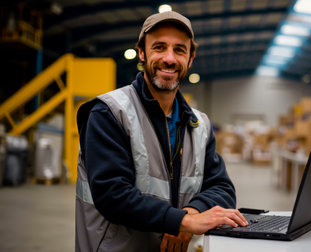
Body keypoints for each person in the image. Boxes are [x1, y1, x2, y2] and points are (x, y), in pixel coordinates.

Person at [75, 11, 248, 252]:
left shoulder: (200, 124)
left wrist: (189, 215)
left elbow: (222, 187)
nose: (169, 58)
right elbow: (113, 195)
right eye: (159, 47)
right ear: (142, 52)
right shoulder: (109, 113)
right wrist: (183, 222)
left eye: (179, 50)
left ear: (190, 58)